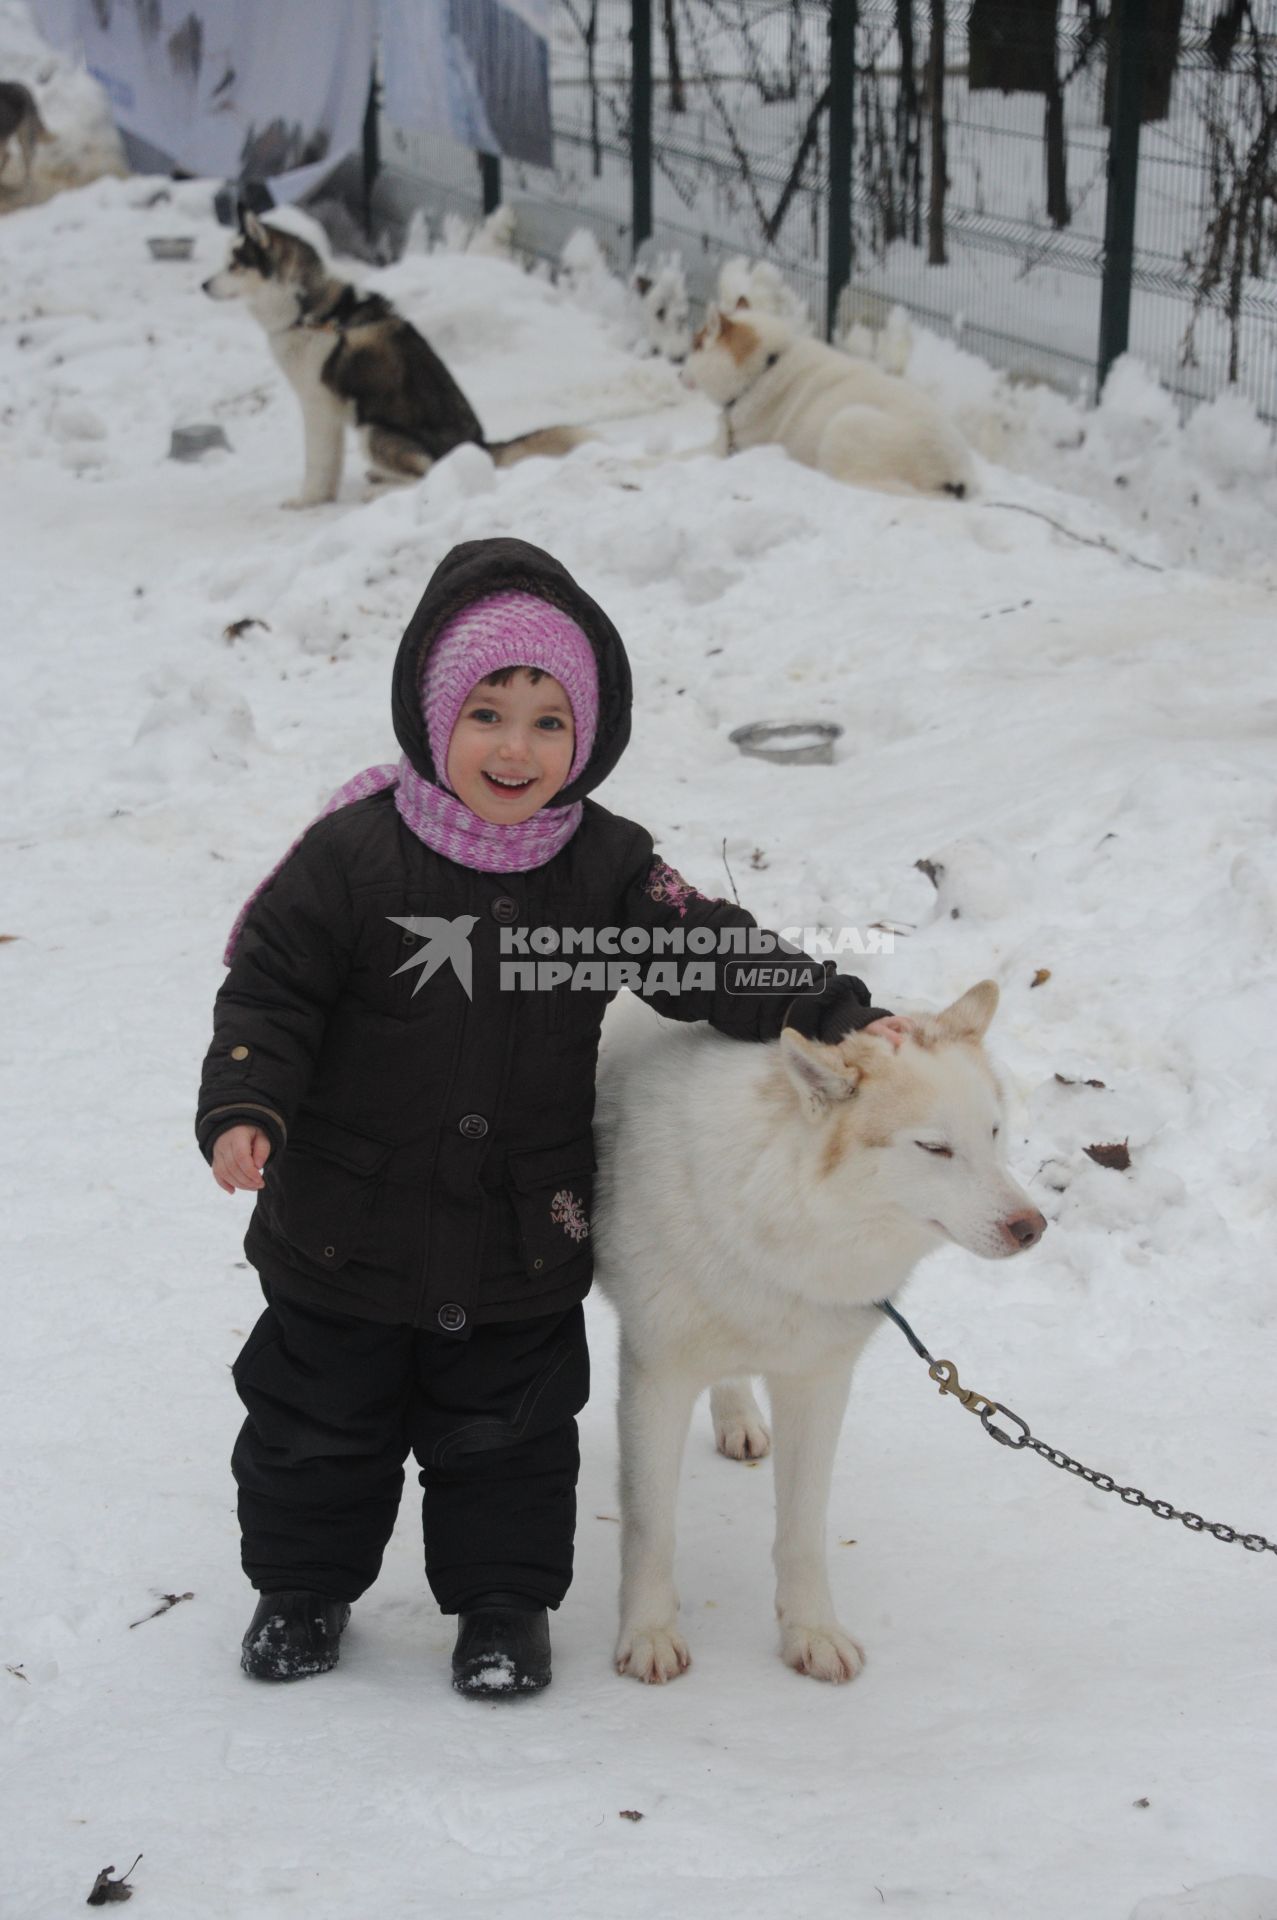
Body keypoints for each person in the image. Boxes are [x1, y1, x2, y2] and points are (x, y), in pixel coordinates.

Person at [197, 536, 897, 1696]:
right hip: (342, 1223)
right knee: (315, 1423)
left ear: (588, 737)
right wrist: (242, 1100)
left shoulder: (603, 872)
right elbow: (268, 989)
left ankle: (502, 1606)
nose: (515, 749)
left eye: (548, 722)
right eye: (486, 713)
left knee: (509, 1438)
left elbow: (710, 950)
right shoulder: (350, 858)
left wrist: (832, 1010)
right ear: (430, 714)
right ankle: (302, 1590)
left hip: (520, 1229)